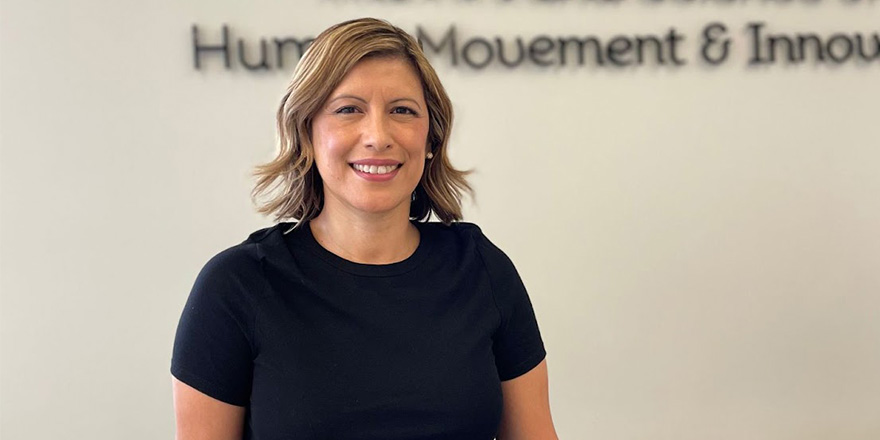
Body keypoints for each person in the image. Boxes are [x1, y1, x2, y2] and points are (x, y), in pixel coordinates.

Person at [171, 18, 558, 440]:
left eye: (402, 110)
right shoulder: (236, 286)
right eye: (348, 109)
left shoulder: (482, 270)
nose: (378, 136)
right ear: (306, 132)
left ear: (431, 138)